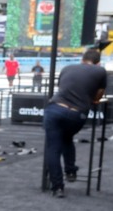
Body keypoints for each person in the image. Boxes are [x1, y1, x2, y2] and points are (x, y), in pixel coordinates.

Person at [42, 47, 107, 198]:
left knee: (53, 149)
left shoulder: (67, 67)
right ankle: (70, 170)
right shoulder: (100, 71)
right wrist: (93, 100)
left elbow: (63, 87)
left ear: (82, 59)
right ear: (98, 62)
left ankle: (58, 187)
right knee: (67, 137)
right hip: (76, 114)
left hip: (54, 109)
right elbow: (99, 94)